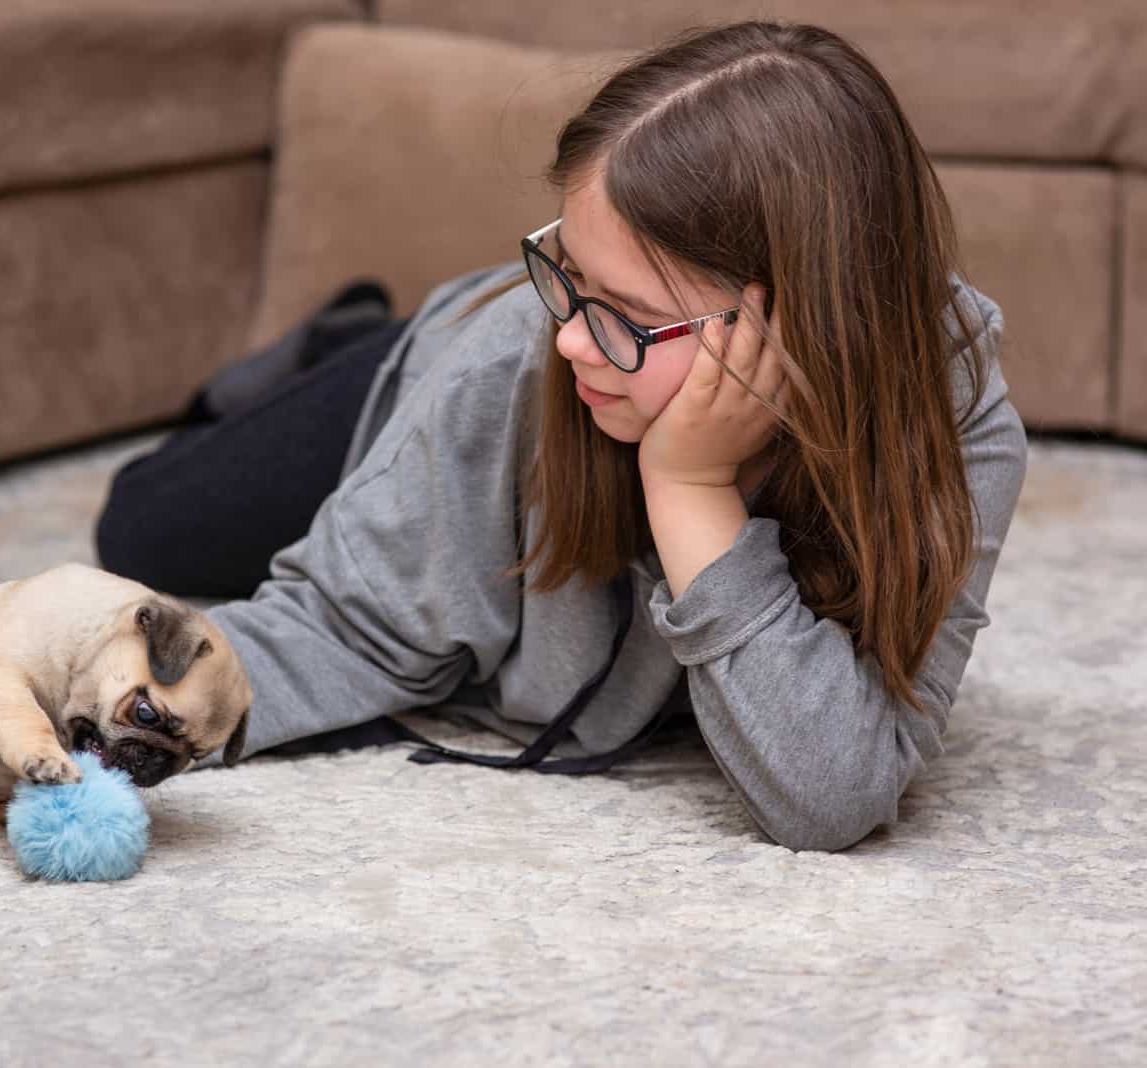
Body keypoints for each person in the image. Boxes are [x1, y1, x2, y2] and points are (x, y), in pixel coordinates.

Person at [95, 20, 1028, 852]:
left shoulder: (957, 430)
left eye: (626, 311)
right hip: (428, 374)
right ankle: (344, 341)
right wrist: (113, 715)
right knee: (138, 527)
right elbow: (342, 626)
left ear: (800, 329)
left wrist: (690, 489)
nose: (573, 336)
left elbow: (838, 790)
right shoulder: (525, 349)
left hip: (493, 384)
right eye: (570, 273)